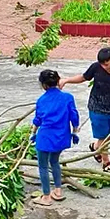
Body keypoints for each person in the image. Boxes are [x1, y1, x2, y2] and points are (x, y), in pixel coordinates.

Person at [59, 48, 110, 172]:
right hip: (96, 108)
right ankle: (106, 162)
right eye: (102, 64)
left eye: (106, 64)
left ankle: (95, 147)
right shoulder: (96, 67)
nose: (104, 67)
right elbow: (83, 77)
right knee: (102, 136)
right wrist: (66, 80)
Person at [31, 70, 80, 207]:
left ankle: (46, 196)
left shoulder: (41, 100)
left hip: (45, 137)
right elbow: (74, 117)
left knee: (43, 166)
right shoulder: (68, 97)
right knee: (54, 161)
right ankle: (58, 191)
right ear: (58, 81)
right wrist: (75, 132)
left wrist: (33, 133)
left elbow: (37, 120)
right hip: (61, 137)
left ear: (44, 85)